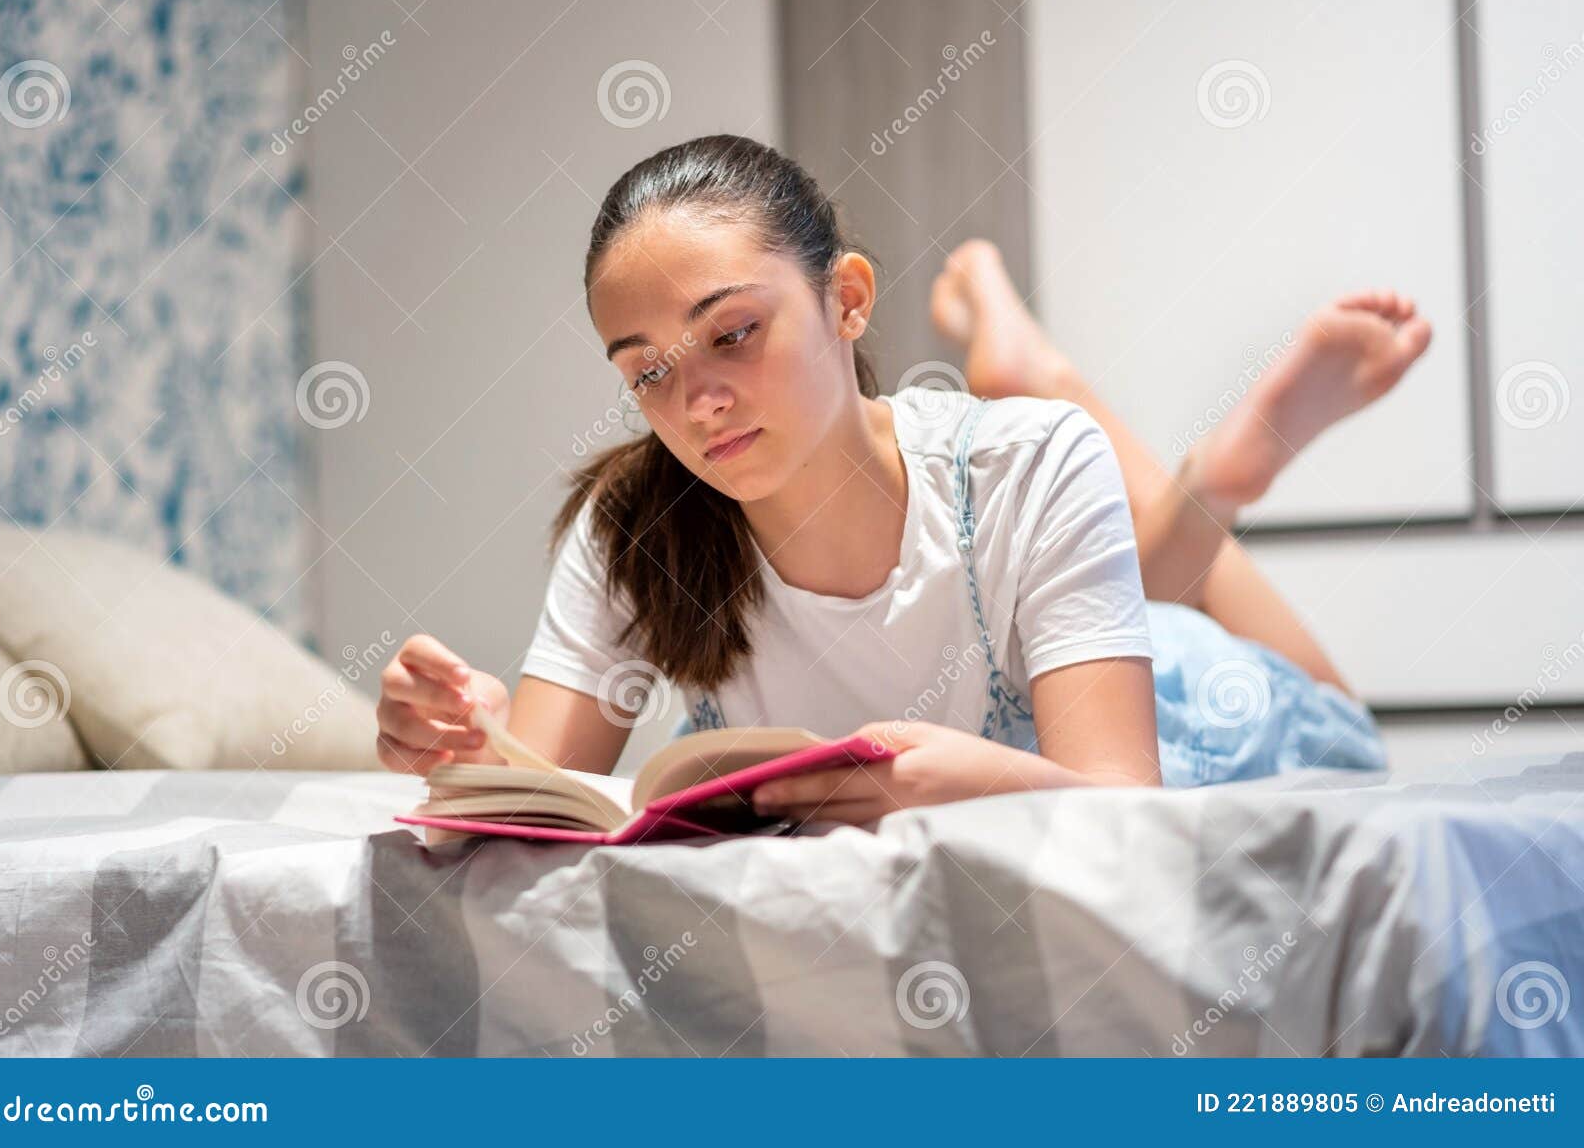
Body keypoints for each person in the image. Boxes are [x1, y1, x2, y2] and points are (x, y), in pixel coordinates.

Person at [375, 135, 1431, 824]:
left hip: (1194, 698)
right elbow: (552, 807)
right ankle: (1070, 393)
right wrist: (468, 743)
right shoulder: (637, 524)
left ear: (847, 299)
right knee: (1115, 536)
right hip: (1055, 575)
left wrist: (968, 785)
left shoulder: (1027, 461)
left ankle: (1213, 467)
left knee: (1337, 716)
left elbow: (1127, 814)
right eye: (648, 371)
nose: (696, 401)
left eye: (733, 334)